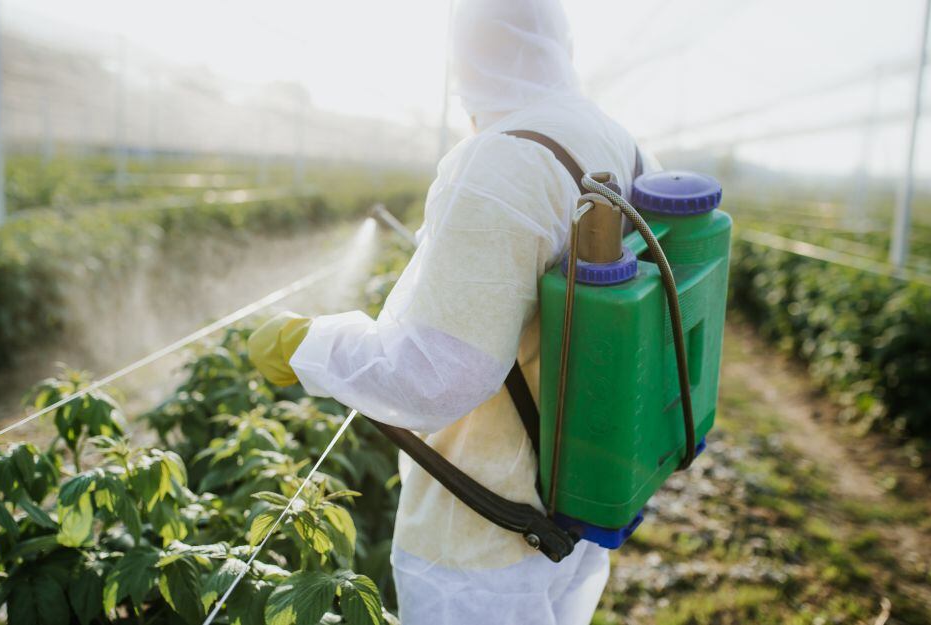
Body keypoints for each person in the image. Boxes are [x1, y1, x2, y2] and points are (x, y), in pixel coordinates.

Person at [249, 0, 657, 622]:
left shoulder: (502, 161)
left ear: (466, 56)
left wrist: (307, 345)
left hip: (483, 535)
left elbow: (439, 374)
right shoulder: (614, 138)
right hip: (576, 490)